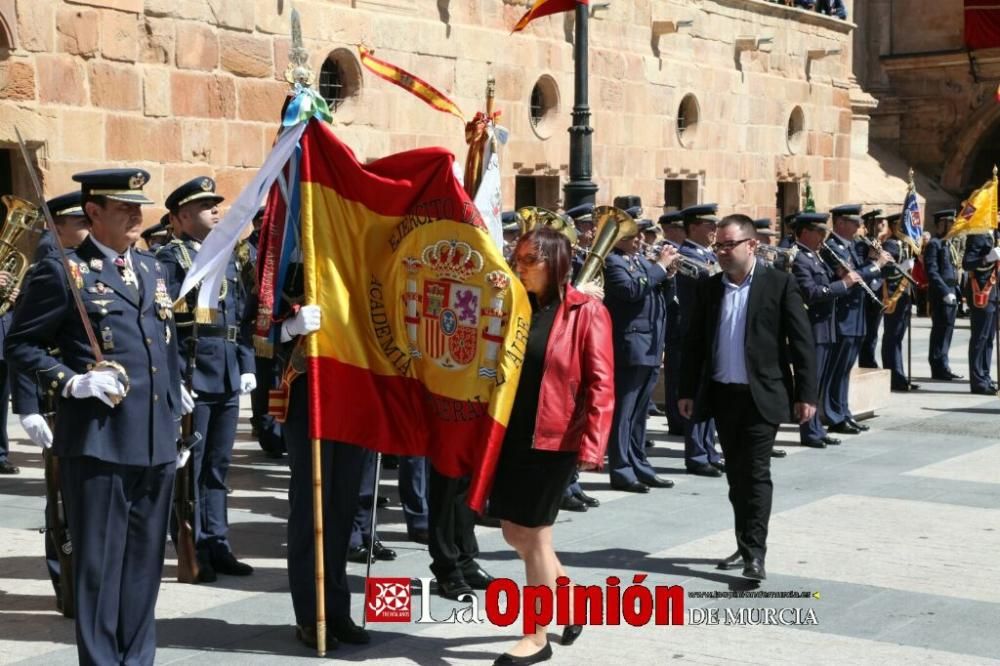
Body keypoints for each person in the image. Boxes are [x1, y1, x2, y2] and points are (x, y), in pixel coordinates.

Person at [5, 168, 193, 664]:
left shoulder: (152, 268)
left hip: (153, 442)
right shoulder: (64, 270)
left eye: (139, 206)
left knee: (144, 566)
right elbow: (20, 343)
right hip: (100, 441)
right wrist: (70, 380)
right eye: (123, 207)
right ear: (93, 212)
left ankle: (138, 659)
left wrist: (176, 402)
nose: (137, 213)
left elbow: (162, 345)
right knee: (100, 567)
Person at [490, 226, 614, 664]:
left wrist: (594, 446)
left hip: (555, 438)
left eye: (529, 260)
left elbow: (601, 383)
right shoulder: (520, 306)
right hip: (512, 433)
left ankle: (536, 637)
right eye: (517, 257)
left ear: (555, 263)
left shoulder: (587, 312)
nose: (519, 266)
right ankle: (572, 601)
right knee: (514, 532)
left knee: (534, 534)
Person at [679, 214, 816, 581]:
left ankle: (755, 553)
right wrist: (687, 391)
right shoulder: (710, 289)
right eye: (718, 245)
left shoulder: (779, 284)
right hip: (723, 395)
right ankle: (744, 542)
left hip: (762, 396)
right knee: (737, 476)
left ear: (751, 245)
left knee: (755, 474)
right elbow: (693, 344)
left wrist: (807, 394)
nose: (722, 252)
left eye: (729, 245)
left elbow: (802, 343)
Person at [157, 177, 256, 583]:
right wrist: (172, 378)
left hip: (228, 373)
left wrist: (246, 363)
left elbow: (240, 317)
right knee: (190, 471)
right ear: (181, 217)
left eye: (216, 204)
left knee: (218, 465)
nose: (216, 209)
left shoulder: (229, 257)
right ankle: (193, 547)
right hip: (193, 373)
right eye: (204, 206)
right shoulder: (169, 259)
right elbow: (161, 324)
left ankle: (218, 542)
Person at [11, 190, 90, 613]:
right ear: (56, 226)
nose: (86, 225)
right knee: (60, 497)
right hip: (55, 396)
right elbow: (23, 342)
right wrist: (27, 406)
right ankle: (65, 581)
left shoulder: (91, 266)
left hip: (86, 395)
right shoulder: (47, 267)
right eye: (78, 220)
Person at [603, 208, 678, 492]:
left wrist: (667, 275)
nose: (640, 240)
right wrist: (659, 268)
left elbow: (662, 297)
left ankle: (639, 464)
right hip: (630, 345)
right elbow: (632, 291)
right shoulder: (613, 262)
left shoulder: (638, 260)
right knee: (624, 411)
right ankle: (621, 468)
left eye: (641, 235)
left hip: (650, 342)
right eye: (634, 235)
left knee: (638, 414)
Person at [821, 204, 890, 434]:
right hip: (842, 317)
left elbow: (860, 273)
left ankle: (843, 411)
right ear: (840, 222)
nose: (859, 225)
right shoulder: (832, 247)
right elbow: (852, 276)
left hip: (856, 315)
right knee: (836, 369)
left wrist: (872, 257)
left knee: (846, 369)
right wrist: (875, 265)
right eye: (854, 221)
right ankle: (832, 414)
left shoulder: (852, 246)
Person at [791, 212, 856, 448]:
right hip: (813, 328)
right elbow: (812, 293)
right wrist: (844, 284)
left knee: (820, 382)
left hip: (826, 328)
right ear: (806, 232)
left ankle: (816, 427)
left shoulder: (816, 257)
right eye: (819, 232)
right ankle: (809, 431)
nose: (823, 237)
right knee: (811, 382)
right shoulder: (799, 259)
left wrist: (840, 274)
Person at [677, 204, 725, 476]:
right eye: (709, 226)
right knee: (695, 393)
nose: (714, 231)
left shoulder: (709, 255)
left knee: (709, 393)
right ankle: (696, 454)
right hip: (695, 332)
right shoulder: (684, 256)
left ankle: (709, 448)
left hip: (712, 332)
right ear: (693, 227)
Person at [879, 214, 919, 392]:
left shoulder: (905, 245)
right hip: (894, 296)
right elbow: (885, 269)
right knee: (892, 337)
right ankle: (894, 376)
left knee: (898, 337)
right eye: (901, 226)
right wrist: (902, 268)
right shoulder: (890, 244)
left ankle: (900, 375)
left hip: (904, 297)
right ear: (894, 227)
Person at [923, 210, 963, 380]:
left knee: (948, 330)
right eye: (950, 222)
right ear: (941, 224)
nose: (953, 225)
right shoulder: (934, 244)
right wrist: (945, 291)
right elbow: (932, 271)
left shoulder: (947, 243)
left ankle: (943, 364)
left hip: (952, 291)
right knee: (940, 330)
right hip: (941, 294)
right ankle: (938, 366)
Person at [962, 229, 1000, 395]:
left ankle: (984, 376)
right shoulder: (977, 234)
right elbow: (967, 262)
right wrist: (987, 258)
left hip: (993, 292)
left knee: (989, 338)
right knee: (980, 337)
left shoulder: (994, 234)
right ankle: (977, 380)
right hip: (981, 292)